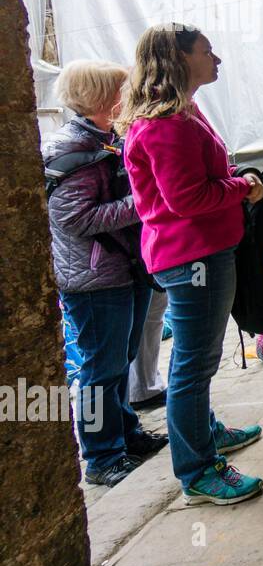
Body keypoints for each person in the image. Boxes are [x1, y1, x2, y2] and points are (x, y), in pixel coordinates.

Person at [120, 24, 263, 505]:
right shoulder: (167, 125)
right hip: (192, 257)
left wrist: (233, 180)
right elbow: (188, 198)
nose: (217, 58)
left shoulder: (183, 113)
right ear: (179, 60)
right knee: (193, 366)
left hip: (197, 253)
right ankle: (199, 470)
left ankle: (204, 435)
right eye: (206, 51)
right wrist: (243, 188)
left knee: (194, 360)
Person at [45, 59, 168, 488]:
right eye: (123, 90)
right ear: (103, 98)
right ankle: (101, 456)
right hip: (95, 280)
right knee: (101, 369)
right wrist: (144, 202)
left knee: (119, 360)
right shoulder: (70, 151)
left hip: (121, 270)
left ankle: (126, 434)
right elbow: (75, 218)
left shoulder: (105, 140)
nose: (131, 97)